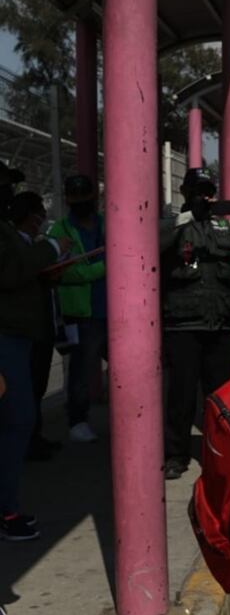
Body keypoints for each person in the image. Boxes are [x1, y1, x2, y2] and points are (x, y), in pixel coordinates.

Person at [160, 167, 230, 480]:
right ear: (184, 192)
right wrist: (188, 216)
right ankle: (176, 455)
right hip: (182, 326)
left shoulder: (225, 228)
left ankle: (217, 452)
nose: (203, 198)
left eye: (208, 192)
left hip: (218, 325)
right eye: (197, 192)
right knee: (180, 396)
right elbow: (153, 238)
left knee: (219, 395)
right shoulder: (174, 223)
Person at [0, 162, 69, 541]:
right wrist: (53, 247)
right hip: (5, 340)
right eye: (6, 187)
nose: (10, 194)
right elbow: (11, 271)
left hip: (16, 338)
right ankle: (7, 511)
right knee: (17, 421)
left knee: (17, 422)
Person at [47, 174, 108, 443]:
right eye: (77, 200)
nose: (82, 204)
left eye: (86, 199)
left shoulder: (107, 225)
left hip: (113, 309)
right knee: (82, 368)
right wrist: (108, 265)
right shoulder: (60, 231)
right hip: (82, 313)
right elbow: (68, 273)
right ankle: (77, 419)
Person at [9, 192, 62, 461]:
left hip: (40, 329)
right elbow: (18, 275)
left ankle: (33, 438)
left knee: (35, 388)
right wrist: (53, 249)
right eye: (39, 213)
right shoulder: (17, 247)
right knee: (24, 392)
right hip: (22, 334)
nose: (42, 218)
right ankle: (25, 442)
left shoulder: (29, 244)